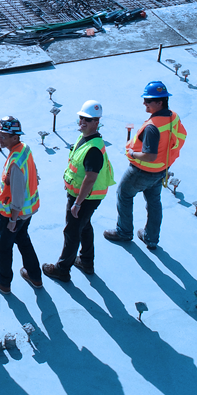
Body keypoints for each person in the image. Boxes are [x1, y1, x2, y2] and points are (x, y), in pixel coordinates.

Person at [104, 81, 186, 250]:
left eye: (148, 100)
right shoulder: (173, 117)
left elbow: (149, 155)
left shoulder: (152, 128)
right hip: (161, 169)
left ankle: (124, 232)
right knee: (154, 202)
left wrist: (132, 154)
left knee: (124, 195)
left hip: (142, 171)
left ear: (159, 102)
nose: (144, 103)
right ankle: (151, 238)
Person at [43, 101, 116, 281]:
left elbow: (90, 178)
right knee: (84, 226)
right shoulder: (85, 138)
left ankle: (62, 269)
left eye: (88, 119)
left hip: (85, 198)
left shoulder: (93, 149)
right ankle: (86, 261)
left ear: (96, 122)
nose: (82, 122)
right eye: (81, 118)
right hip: (82, 196)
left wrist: (77, 203)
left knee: (72, 231)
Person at [0, 117, 42, 294]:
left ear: (14, 137)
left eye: (3, 136)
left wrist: (12, 219)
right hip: (27, 212)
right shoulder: (24, 149)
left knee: (4, 247)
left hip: (14, 215)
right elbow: (32, 170)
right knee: (23, 240)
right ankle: (35, 276)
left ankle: (3, 282)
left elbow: (17, 195)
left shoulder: (16, 162)